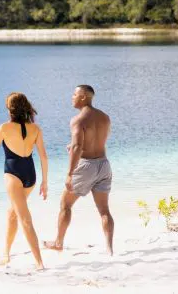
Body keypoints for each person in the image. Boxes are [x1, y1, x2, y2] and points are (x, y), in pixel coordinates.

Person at [0, 92, 49, 269]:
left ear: (10, 109)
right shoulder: (36, 129)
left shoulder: (4, 127)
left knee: (25, 219)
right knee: (12, 213)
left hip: (13, 175)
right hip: (30, 175)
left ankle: (39, 263)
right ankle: (6, 254)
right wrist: (44, 182)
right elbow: (44, 157)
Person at [43, 84, 114, 255]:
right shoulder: (104, 117)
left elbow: (77, 147)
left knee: (65, 204)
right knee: (104, 210)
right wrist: (78, 146)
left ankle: (58, 243)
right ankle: (110, 249)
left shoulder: (78, 120)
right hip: (103, 164)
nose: (72, 97)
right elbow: (99, 139)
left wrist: (69, 174)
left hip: (86, 165)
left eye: (74, 94)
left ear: (83, 97)